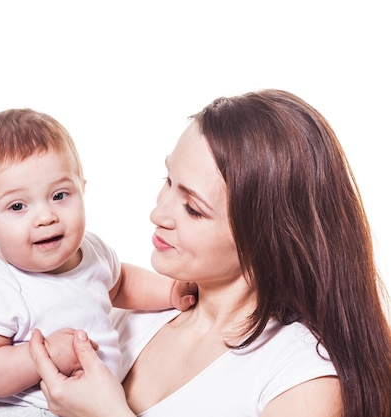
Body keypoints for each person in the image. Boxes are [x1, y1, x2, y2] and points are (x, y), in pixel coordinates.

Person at [30, 89, 391, 417]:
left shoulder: (304, 380)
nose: (157, 214)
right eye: (167, 181)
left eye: (193, 209)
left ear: (267, 237)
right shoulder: (131, 314)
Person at [0, 109, 197, 416]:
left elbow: (121, 283)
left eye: (59, 195)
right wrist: (45, 354)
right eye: (17, 206)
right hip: (30, 409)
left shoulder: (91, 250)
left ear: (82, 187)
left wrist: (170, 290)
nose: (45, 216)